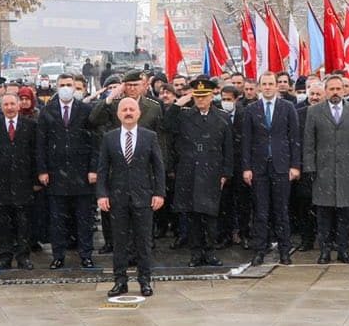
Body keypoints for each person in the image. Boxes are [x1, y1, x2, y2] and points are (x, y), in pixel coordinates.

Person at [96, 97, 165, 298]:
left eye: (131, 109)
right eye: (124, 109)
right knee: (119, 242)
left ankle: (145, 281)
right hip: (117, 198)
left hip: (143, 197)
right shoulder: (109, 138)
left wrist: (159, 193)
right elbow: (102, 169)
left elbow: (158, 167)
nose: (128, 112)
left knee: (143, 242)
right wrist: (102, 194)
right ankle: (120, 281)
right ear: (118, 114)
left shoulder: (149, 136)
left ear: (138, 113)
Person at [168, 78, 233, 267]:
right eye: (197, 97)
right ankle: (196, 253)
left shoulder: (222, 117)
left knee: (211, 215)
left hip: (212, 171)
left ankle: (210, 252)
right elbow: (167, 123)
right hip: (190, 171)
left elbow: (227, 148)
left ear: (212, 96)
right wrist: (179, 102)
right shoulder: (185, 115)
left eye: (204, 97)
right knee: (193, 216)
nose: (201, 100)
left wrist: (226, 173)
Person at [302, 74, 349, 265]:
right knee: (324, 215)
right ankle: (324, 251)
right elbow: (309, 143)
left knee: (345, 215)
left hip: (347, 172)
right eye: (331, 89)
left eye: (339, 89)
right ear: (325, 91)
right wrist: (310, 168)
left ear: (344, 90)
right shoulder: (314, 112)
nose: (335, 92)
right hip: (323, 172)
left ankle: (343, 251)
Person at [239, 71, 302, 265]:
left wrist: (295, 165)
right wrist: (246, 167)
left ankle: (284, 250)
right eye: (264, 84)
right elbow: (246, 140)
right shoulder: (251, 109)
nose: (267, 87)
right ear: (259, 87)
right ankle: (260, 249)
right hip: (259, 168)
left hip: (282, 166)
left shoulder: (288, 107)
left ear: (276, 86)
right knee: (261, 211)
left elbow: (295, 138)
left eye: (270, 84)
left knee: (281, 211)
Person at [37, 74, 98, 270]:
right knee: (57, 220)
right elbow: (41, 144)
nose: (65, 88)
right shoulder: (47, 111)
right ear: (56, 87)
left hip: (81, 174)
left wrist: (93, 169)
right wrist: (42, 170)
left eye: (69, 85)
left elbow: (94, 142)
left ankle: (86, 255)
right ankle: (58, 256)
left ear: (75, 88)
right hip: (56, 175)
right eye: (62, 85)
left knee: (84, 219)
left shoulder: (86, 110)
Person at [0, 93, 39, 270]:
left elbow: (35, 154)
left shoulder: (30, 126)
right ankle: (5, 257)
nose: (10, 108)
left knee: (23, 223)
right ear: (1, 107)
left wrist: (36, 179)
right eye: (6, 105)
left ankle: (23, 257)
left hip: (23, 182)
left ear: (19, 105)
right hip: (0, 183)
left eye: (13, 104)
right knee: (3, 224)